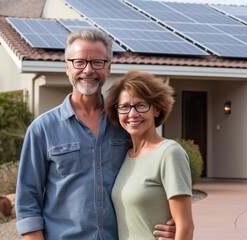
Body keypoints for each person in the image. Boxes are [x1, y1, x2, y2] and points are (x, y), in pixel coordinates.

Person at [15, 29, 176, 239]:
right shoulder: (41, 130)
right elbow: (27, 202)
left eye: (97, 62)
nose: (88, 70)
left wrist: (170, 223)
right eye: (79, 62)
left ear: (108, 68)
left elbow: (153, 175)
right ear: (67, 67)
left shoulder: (126, 124)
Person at [105, 70, 194, 240]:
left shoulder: (169, 153)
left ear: (157, 109)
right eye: (125, 106)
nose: (132, 114)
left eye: (141, 105)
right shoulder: (126, 156)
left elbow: (185, 226)